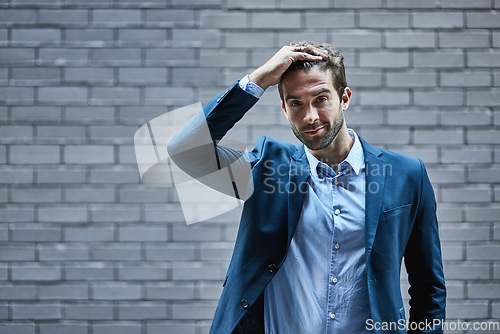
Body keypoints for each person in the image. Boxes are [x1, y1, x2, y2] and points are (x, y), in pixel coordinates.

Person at [167, 41, 446, 334]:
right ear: (284, 109)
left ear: (345, 97)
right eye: (296, 103)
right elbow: (186, 149)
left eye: (321, 98)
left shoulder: (406, 175)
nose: (310, 116)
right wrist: (259, 79)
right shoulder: (266, 168)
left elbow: (428, 288)